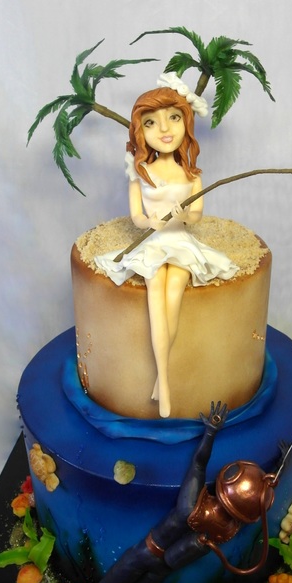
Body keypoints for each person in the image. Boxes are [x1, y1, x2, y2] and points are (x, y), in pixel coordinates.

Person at [47, 401, 276, 583]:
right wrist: (271, 480)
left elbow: (198, 464)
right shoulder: (225, 531)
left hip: (146, 551)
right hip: (162, 569)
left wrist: (210, 433)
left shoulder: (190, 506)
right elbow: (249, 514)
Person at [95, 75, 238, 418]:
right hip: (155, 242)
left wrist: (183, 214)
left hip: (181, 241)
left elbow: (197, 214)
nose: (163, 129)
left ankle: (162, 380)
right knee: (154, 288)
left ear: (186, 123)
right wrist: (151, 222)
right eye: (150, 123)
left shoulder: (192, 174)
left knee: (174, 290)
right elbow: (137, 216)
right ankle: (166, 383)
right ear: (139, 131)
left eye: (173, 118)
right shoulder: (140, 171)